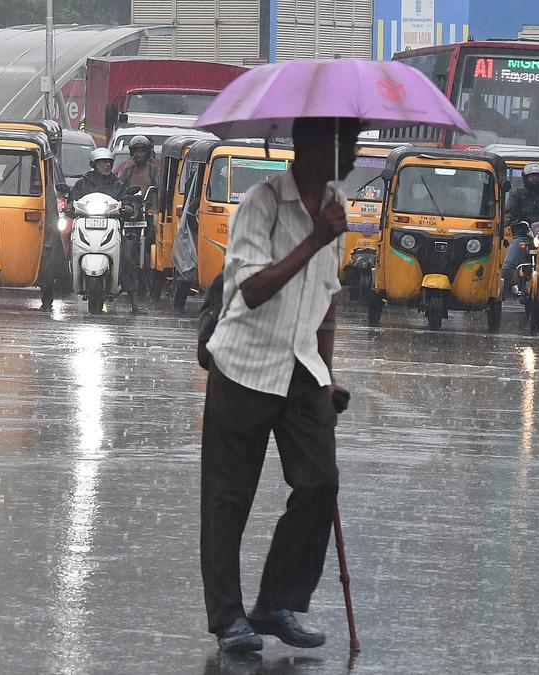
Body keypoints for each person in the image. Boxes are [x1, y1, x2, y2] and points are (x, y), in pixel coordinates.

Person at [200, 116, 358, 653]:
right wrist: (314, 239)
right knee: (228, 499)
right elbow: (251, 290)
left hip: (301, 368)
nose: (352, 153)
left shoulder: (336, 207)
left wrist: (328, 375)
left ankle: (275, 602)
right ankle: (228, 619)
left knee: (320, 483)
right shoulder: (261, 203)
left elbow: (328, 300)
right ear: (311, 143)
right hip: (243, 365)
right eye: (345, 142)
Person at [67, 148, 145, 314]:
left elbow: (127, 200)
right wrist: (68, 207)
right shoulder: (83, 183)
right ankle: (62, 281)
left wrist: (130, 207)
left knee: (127, 257)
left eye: (109, 162)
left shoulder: (117, 184)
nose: (107, 165)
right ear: (94, 164)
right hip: (85, 226)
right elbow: (72, 202)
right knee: (66, 244)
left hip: (111, 227)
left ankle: (134, 303)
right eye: (103, 162)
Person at [501, 162, 539, 299]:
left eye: (538, 176)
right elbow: (509, 211)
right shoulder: (517, 193)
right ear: (525, 178)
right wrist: (509, 220)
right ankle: (502, 294)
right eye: (532, 176)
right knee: (508, 265)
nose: (535, 179)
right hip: (523, 236)